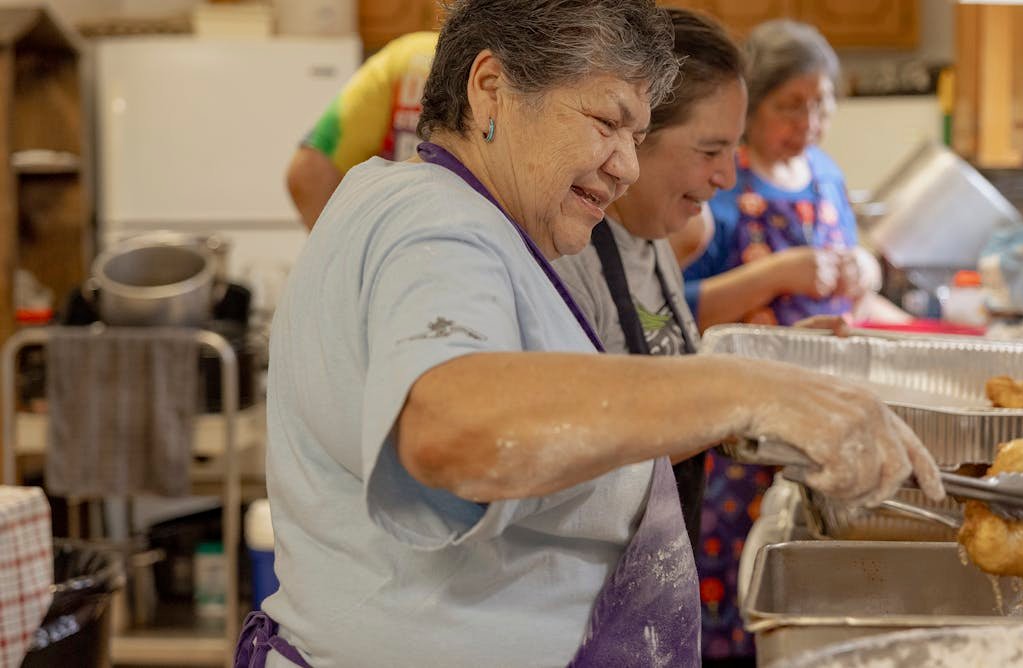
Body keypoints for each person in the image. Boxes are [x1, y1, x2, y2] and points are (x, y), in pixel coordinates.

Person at [240, 2, 942, 667]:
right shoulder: (434, 221)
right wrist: (741, 387)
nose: (627, 164)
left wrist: (763, 374)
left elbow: (571, 418)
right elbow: (452, 428)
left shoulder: (489, 230)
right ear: (491, 89)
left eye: (636, 137)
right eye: (607, 122)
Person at [678, 19, 910, 663]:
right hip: (744, 434)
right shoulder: (721, 185)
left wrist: (863, 272)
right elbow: (680, 312)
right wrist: (779, 273)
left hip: (822, 419)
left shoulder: (827, 176)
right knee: (737, 586)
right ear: (751, 105)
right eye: (791, 105)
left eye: (823, 102)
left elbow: (849, 293)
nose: (809, 119)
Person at [550, 7, 744, 552]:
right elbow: (579, 465)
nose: (727, 176)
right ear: (637, 134)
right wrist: (738, 406)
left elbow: (658, 364)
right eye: (711, 151)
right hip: (591, 601)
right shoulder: (569, 261)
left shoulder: (652, 237)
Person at [285, 31, 437, 229]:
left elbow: (309, 173)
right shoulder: (486, 73)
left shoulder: (407, 57)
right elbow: (308, 173)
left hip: (392, 244)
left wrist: (342, 254)